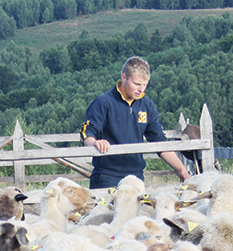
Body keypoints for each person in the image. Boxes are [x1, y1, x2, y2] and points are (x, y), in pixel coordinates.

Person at [80, 56, 191, 190]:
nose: (141, 89)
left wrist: (182, 171)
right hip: (106, 177)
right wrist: (95, 142)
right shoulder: (103, 103)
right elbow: (87, 132)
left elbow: (159, 142)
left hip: (136, 178)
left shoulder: (147, 106)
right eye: (137, 84)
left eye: (144, 85)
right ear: (124, 77)